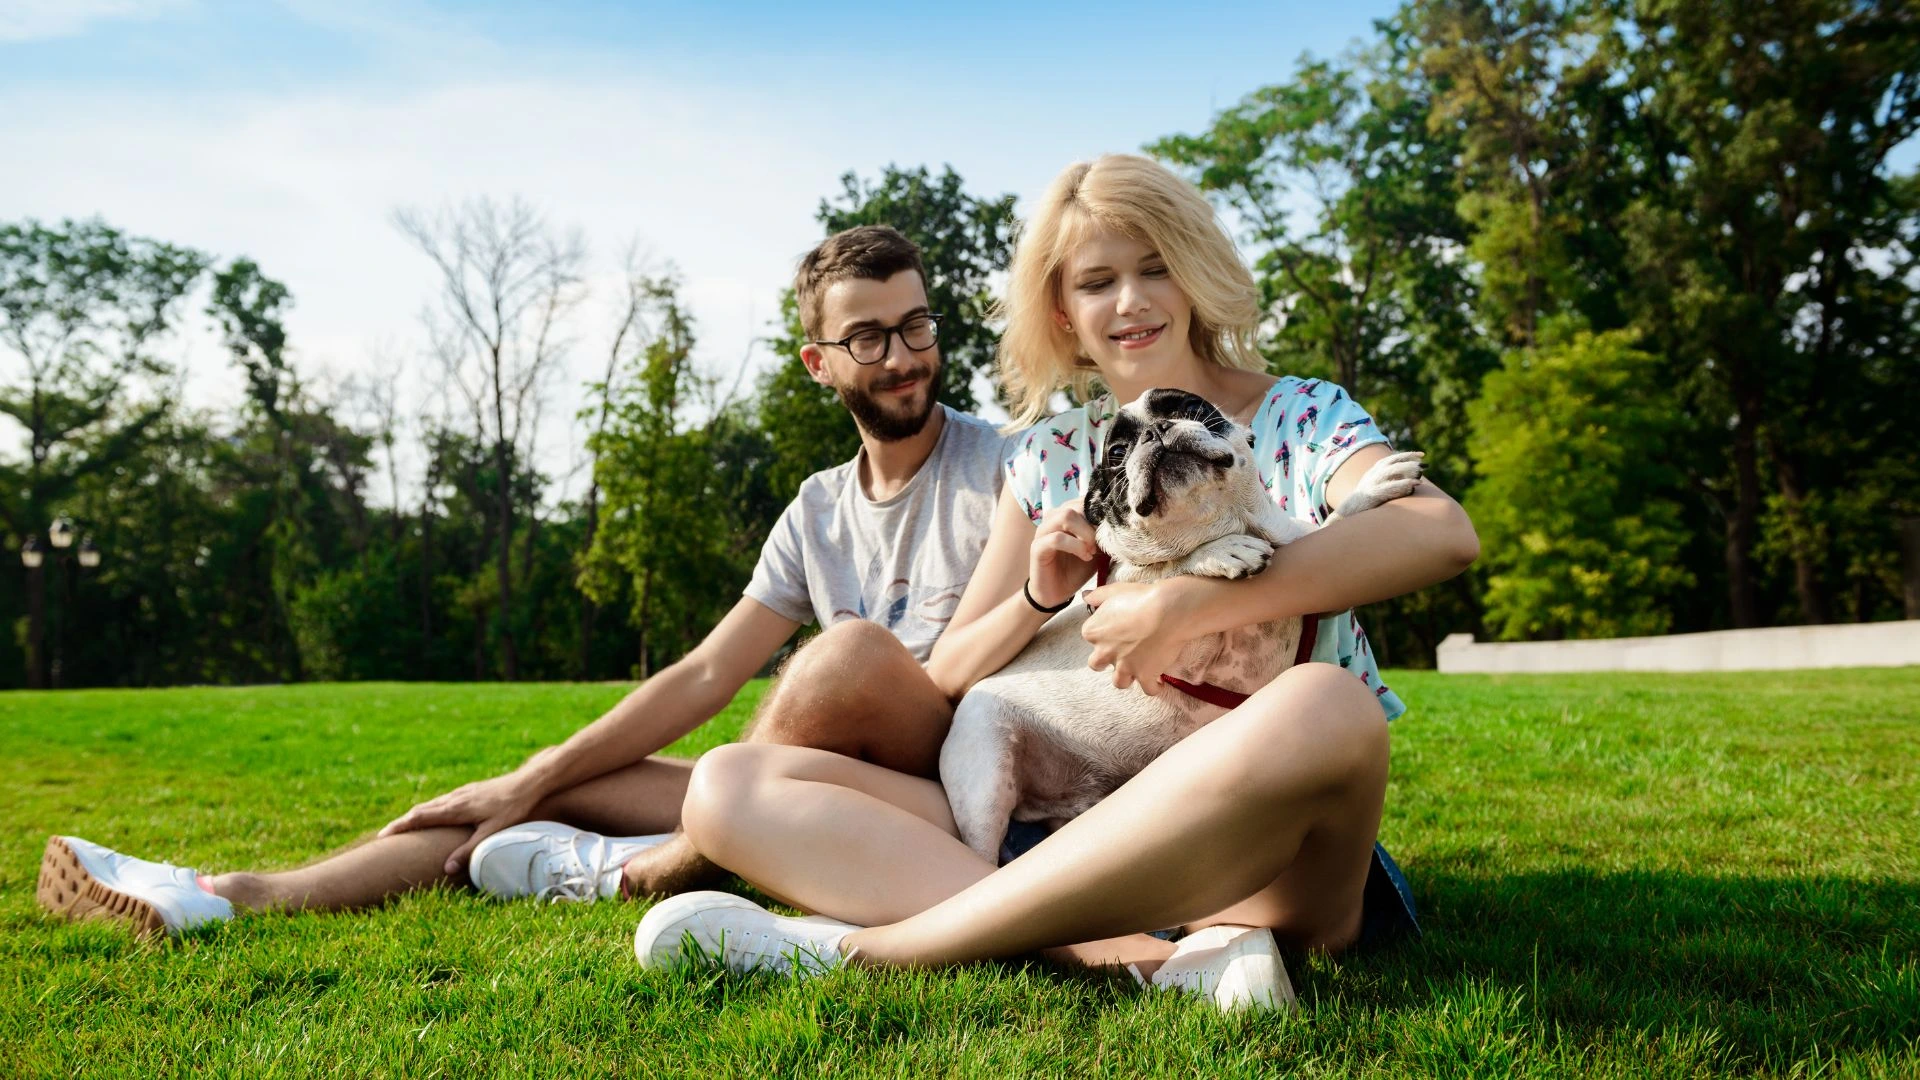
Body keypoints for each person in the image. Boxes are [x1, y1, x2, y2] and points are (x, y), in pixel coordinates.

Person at [629, 155, 1481, 1010]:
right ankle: (1133, 953)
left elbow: (1439, 534)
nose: (1131, 301)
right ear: (1062, 313)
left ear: (1194, 275)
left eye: (1156, 267)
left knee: (1324, 704)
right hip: (1059, 826)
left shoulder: (1301, 413)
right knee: (730, 783)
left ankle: (871, 951)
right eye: (1097, 281)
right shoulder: (1045, 457)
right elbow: (950, 673)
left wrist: (1187, 602)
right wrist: (1040, 596)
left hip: (1254, 849)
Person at [35, 225, 1011, 935]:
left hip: (936, 799)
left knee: (843, 659)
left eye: (916, 326)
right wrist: (536, 776)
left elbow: (964, 677)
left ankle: (686, 856)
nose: (904, 359)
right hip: (798, 787)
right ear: (817, 362)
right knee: (530, 802)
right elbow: (708, 675)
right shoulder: (817, 508)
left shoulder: (1005, 465)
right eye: (871, 338)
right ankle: (224, 894)